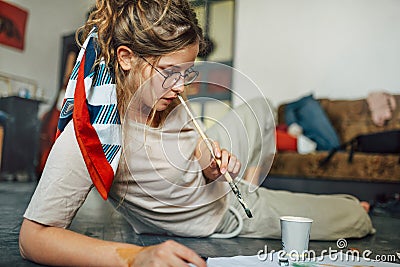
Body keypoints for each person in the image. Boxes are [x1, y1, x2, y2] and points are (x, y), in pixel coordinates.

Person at [19, 0, 375, 266]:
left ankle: (266, 189)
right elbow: (32, 239)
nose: (180, 87)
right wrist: (134, 258)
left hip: (226, 192)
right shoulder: (94, 133)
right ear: (126, 57)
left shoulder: (169, 99)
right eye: (169, 72)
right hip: (223, 218)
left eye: (186, 74)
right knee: (354, 218)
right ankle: (350, 208)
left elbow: (196, 153)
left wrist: (213, 164)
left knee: (260, 107)